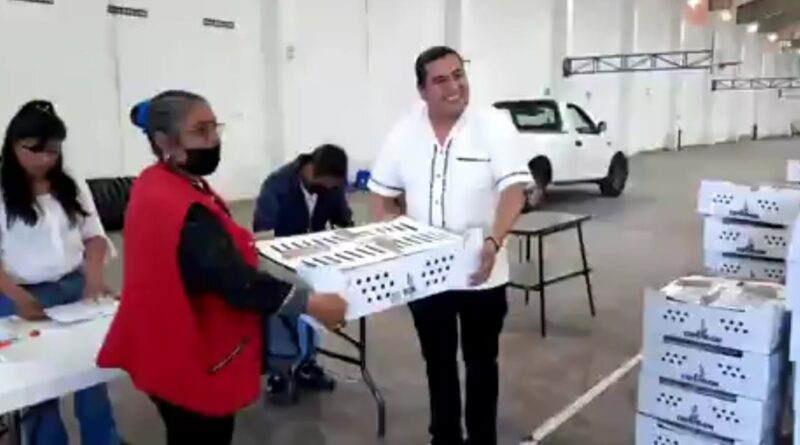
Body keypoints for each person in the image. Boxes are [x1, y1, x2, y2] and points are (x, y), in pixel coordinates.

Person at [96, 90, 348, 445]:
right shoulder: (182, 207)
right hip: (188, 353)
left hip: (162, 345)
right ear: (166, 141)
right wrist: (309, 303)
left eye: (215, 128)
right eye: (200, 131)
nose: (214, 140)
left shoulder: (158, 182)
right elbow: (235, 281)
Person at [368, 46, 534, 445]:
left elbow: (514, 192)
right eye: (441, 80)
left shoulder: (493, 125)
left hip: (483, 273)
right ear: (422, 91)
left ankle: (482, 438)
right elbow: (382, 197)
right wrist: (397, 238)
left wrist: (494, 241)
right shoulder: (404, 133)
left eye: (459, 75)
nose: (454, 86)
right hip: (427, 276)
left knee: (481, 362)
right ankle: (444, 437)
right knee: (438, 362)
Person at [0, 100, 124, 445]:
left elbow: (94, 236)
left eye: (53, 151)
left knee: (92, 373)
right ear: (13, 145)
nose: (44, 160)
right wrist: (19, 297)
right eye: (34, 150)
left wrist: (94, 279)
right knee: (37, 388)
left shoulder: (69, 183)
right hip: (21, 295)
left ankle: (103, 439)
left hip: (75, 287)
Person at [253, 143, 353, 405]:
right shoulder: (277, 185)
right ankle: (279, 373)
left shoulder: (331, 188)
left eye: (335, 186)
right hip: (279, 264)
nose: (331, 189)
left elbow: (344, 223)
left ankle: (307, 364)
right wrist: (281, 261)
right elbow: (262, 236)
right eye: (328, 183)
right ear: (312, 171)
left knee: (313, 315)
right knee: (280, 315)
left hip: (314, 263)